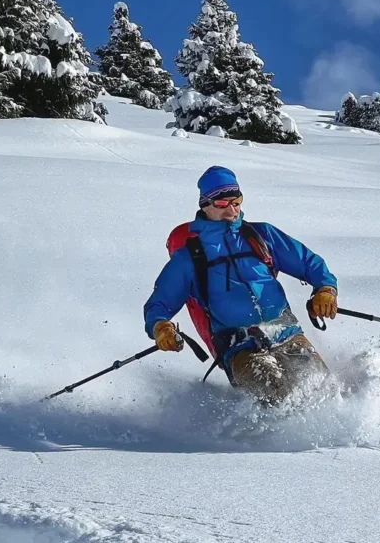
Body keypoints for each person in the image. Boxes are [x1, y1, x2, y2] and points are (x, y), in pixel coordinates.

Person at [143, 166, 338, 404]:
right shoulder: (190, 258)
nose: (232, 209)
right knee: (279, 396)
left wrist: (325, 289)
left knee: (325, 390)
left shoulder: (261, 235)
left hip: (288, 334)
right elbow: (159, 303)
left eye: (237, 201)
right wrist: (161, 327)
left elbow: (309, 263)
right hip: (240, 349)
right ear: (206, 205)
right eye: (223, 203)